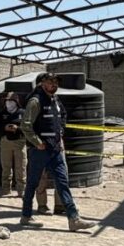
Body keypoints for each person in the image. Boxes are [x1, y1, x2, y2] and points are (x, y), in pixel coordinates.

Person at [19, 72, 94, 231]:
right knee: (32, 183)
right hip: (39, 151)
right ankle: (26, 216)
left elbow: (63, 116)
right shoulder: (35, 101)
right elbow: (25, 125)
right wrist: (37, 142)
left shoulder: (55, 99)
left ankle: (74, 219)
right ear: (42, 84)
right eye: (50, 82)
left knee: (62, 183)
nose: (54, 84)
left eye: (56, 82)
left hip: (55, 150)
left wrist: (60, 132)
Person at [0, 91, 25, 196]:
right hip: (6, 142)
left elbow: (28, 127)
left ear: (16, 102)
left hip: (20, 142)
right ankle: (6, 189)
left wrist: (18, 128)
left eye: (11, 101)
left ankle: (21, 190)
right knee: (6, 166)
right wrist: (5, 128)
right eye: (7, 101)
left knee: (21, 167)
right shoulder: (2, 113)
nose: (8, 103)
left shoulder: (23, 113)